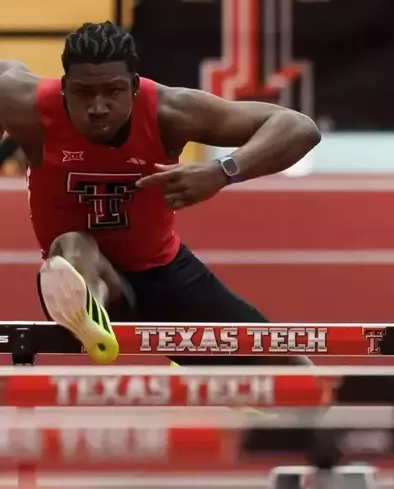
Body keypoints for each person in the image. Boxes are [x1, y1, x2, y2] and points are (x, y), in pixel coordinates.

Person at [0, 22, 322, 363]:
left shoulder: (169, 111)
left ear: (134, 86)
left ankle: (128, 330)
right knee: (73, 245)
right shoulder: (28, 106)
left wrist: (221, 172)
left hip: (163, 272)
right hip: (80, 273)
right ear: (64, 88)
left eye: (113, 91)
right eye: (84, 93)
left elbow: (300, 128)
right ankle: (89, 309)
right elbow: (7, 70)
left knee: (293, 370)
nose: (98, 107)